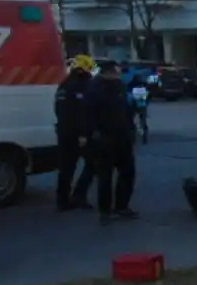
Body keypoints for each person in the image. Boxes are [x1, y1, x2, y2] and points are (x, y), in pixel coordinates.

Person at [83, 60, 139, 225]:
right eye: (117, 71)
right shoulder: (94, 88)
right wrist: (91, 134)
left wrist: (131, 128)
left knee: (127, 171)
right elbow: (87, 114)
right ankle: (105, 210)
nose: (119, 74)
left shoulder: (119, 86)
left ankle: (122, 206)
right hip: (104, 138)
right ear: (109, 71)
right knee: (105, 176)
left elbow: (127, 109)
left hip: (122, 136)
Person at [54, 54, 96, 211]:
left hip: (64, 132)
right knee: (93, 164)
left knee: (66, 168)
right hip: (79, 134)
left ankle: (62, 199)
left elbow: (59, 109)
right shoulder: (82, 85)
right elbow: (82, 112)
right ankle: (79, 195)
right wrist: (84, 134)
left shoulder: (64, 85)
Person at [128, 74, 150, 144]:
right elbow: (148, 95)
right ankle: (144, 133)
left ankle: (132, 134)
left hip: (132, 105)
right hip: (142, 105)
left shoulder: (130, 84)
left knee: (130, 120)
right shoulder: (144, 85)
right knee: (143, 120)